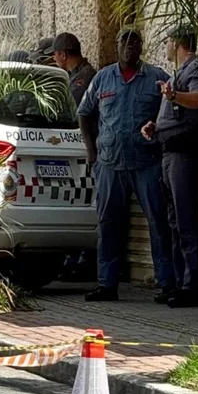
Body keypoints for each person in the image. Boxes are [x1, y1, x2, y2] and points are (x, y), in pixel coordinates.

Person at [77, 27, 175, 302]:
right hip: (109, 163)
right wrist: (92, 152)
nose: (131, 46)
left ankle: (167, 283)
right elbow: (84, 114)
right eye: (126, 41)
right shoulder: (102, 78)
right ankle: (107, 285)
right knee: (108, 223)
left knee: (158, 221)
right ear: (117, 46)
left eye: (136, 42)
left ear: (142, 47)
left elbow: (172, 112)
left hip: (147, 163)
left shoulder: (157, 78)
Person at [140, 25, 198, 308]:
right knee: (174, 221)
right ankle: (179, 284)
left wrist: (174, 96)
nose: (167, 47)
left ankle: (191, 287)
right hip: (169, 152)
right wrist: (155, 127)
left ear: (178, 43)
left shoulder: (197, 70)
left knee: (186, 220)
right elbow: (176, 114)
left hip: (185, 153)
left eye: (169, 41)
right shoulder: (177, 74)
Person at [47, 32, 98, 106]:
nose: (54, 58)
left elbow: (69, 104)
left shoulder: (85, 75)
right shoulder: (73, 74)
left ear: (63, 55)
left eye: (55, 54)